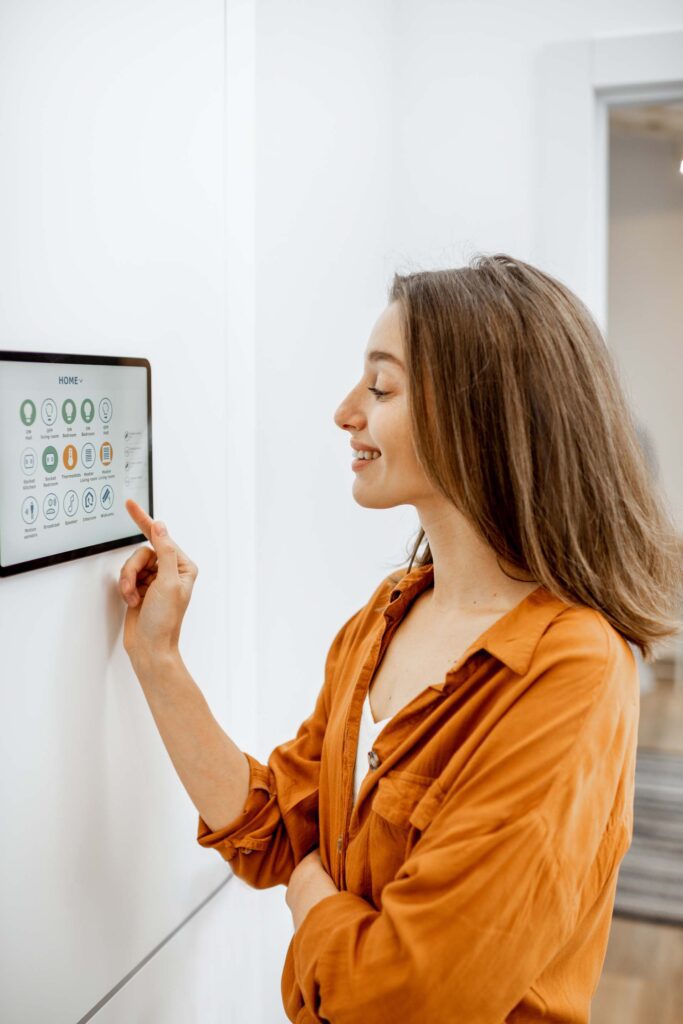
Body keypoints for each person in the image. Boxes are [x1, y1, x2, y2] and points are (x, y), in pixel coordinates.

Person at [118, 253, 682, 1024]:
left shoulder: (572, 667)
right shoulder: (385, 614)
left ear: (476, 415)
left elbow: (403, 1000)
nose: (345, 411)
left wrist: (311, 892)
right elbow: (280, 828)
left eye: (380, 387)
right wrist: (157, 658)